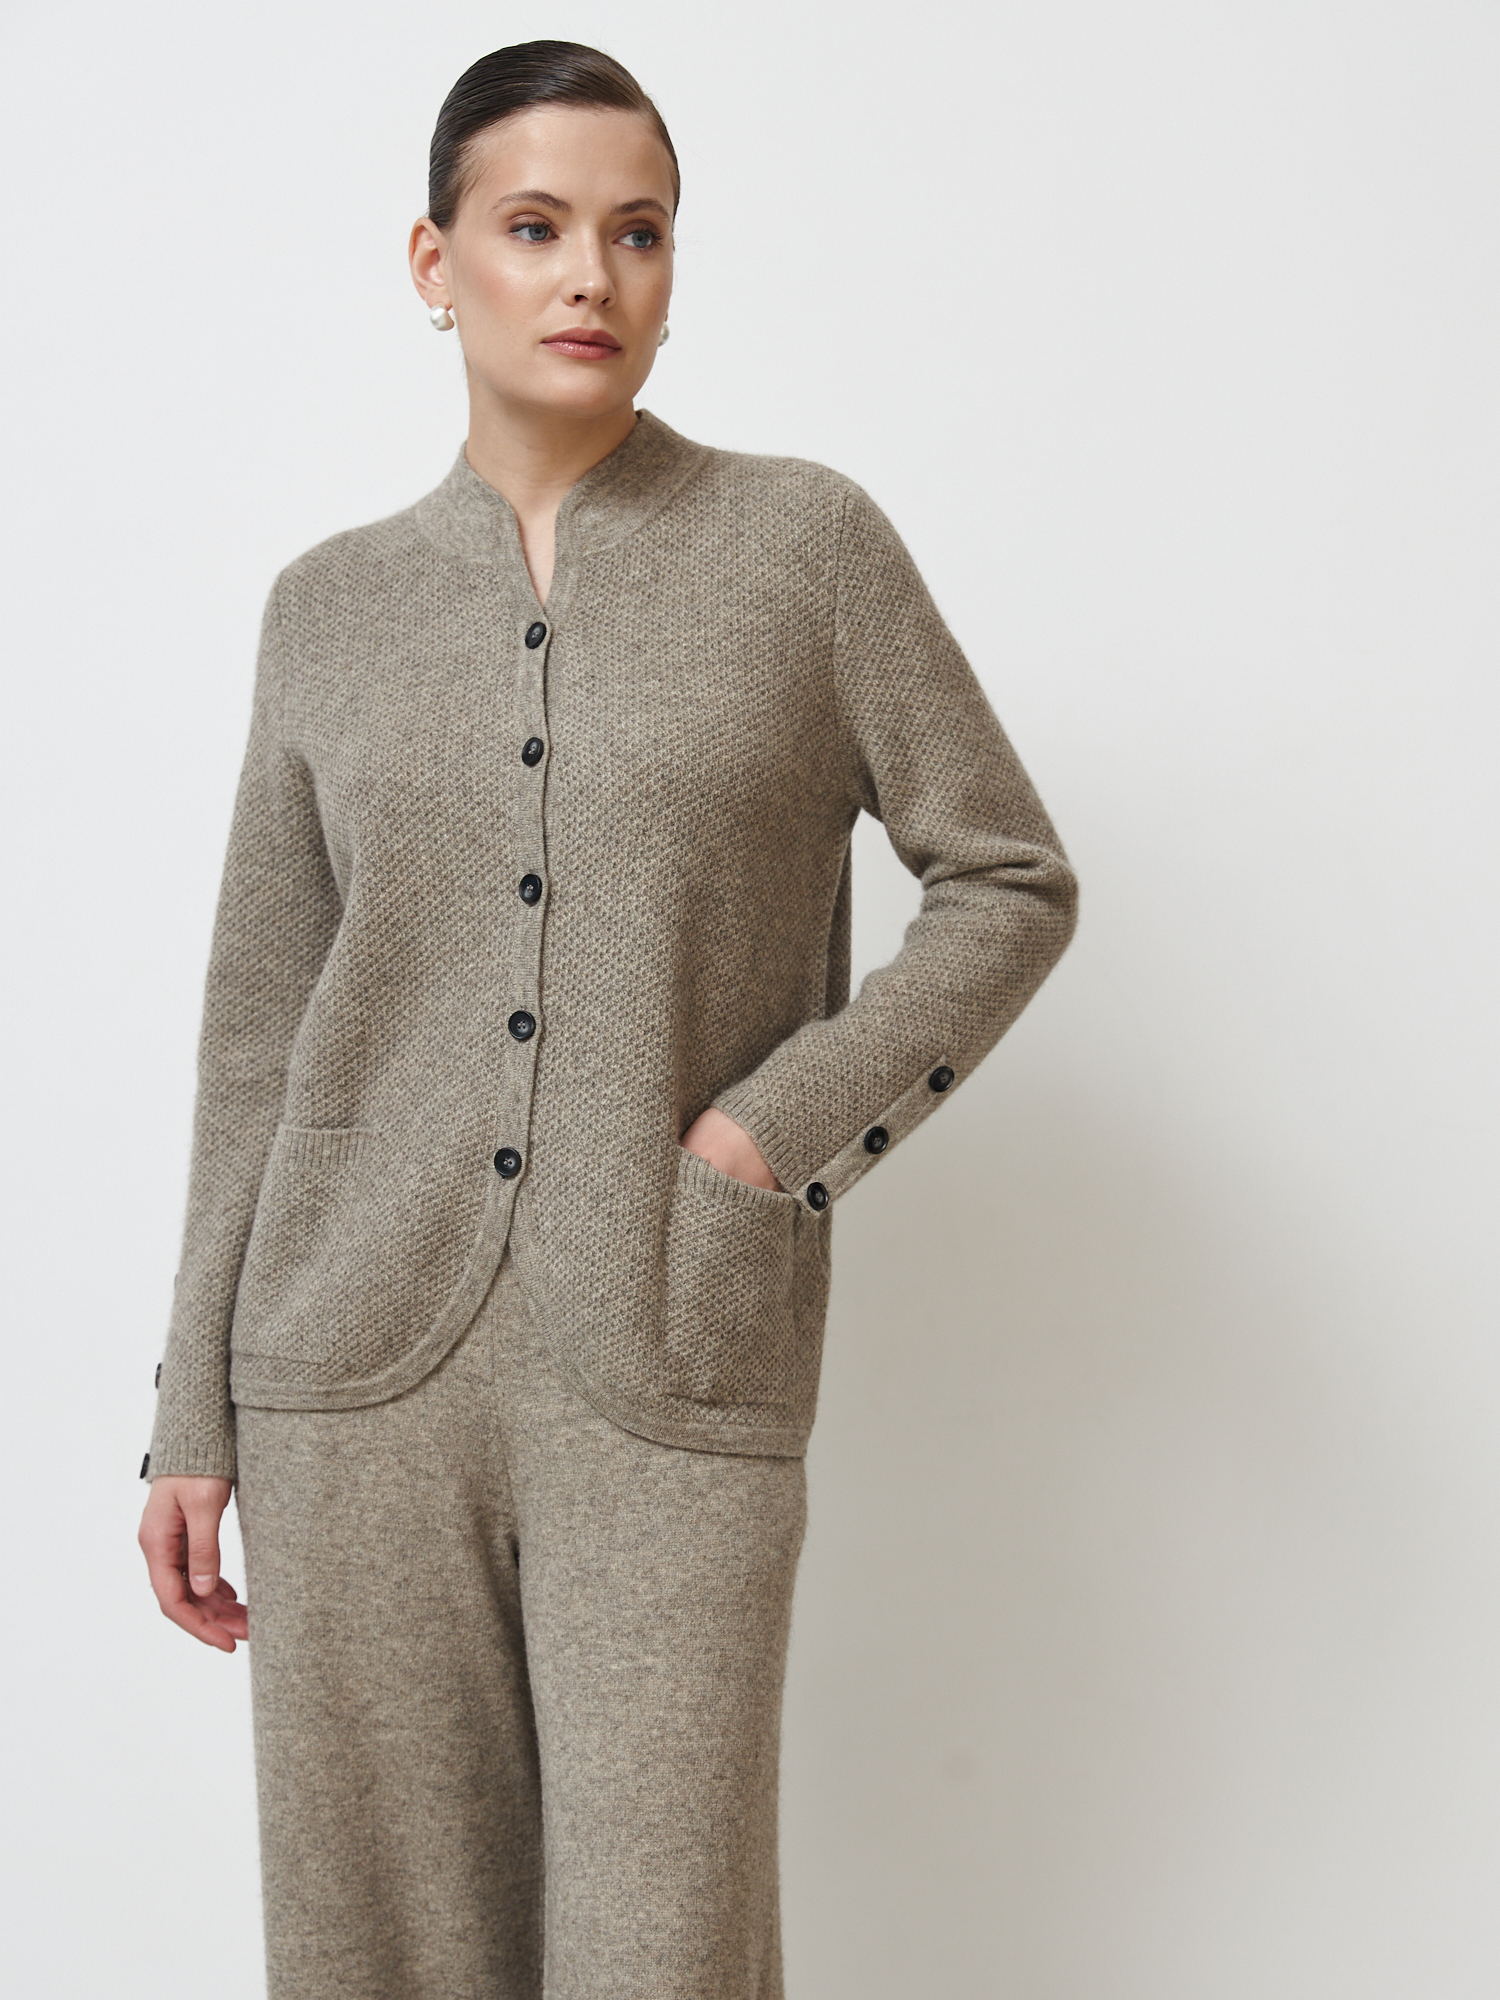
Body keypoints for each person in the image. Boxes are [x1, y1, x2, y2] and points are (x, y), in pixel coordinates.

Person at [136, 38, 1078, 2000]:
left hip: (672, 1343)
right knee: (382, 1954)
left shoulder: (804, 550)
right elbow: (256, 1031)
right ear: (436, 261)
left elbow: (1006, 876)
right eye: (536, 227)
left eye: (638, 233)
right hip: (345, 1376)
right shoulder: (327, 609)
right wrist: (191, 1410)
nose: (591, 276)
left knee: (666, 1948)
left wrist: (765, 1137)